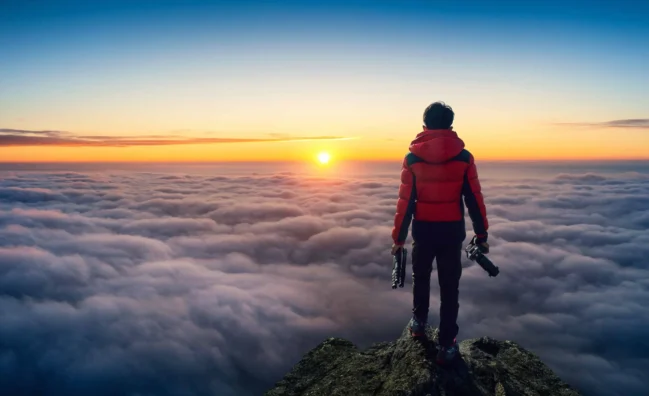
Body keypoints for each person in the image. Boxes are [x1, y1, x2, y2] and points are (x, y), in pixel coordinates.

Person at [390, 101, 490, 366]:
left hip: (423, 230)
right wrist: (482, 235)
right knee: (450, 287)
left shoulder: (412, 158)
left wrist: (398, 239)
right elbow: (474, 199)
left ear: (424, 126)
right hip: (452, 231)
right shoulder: (464, 158)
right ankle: (447, 344)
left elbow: (406, 202)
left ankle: (419, 323)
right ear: (451, 126)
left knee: (420, 276)